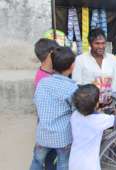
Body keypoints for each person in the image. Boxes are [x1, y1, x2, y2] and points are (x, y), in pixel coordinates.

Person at [30, 47, 78, 170]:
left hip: (43, 134)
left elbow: (36, 101)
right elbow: (75, 111)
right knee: (63, 164)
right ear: (72, 66)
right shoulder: (72, 88)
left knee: (37, 161)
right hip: (63, 137)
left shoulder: (42, 83)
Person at [33, 38, 60, 170]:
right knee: (43, 158)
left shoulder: (47, 73)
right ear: (50, 54)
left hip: (46, 126)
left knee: (46, 157)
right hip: (49, 126)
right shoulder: (44, 79)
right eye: (56, 52)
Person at [72, 28, 116, 93]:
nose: (101, 46)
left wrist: (111, 95)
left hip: (109, 100)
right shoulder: (80, 59)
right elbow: (76, 83)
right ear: (90, 44)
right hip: (88, 101)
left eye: (103, 43)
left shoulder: (112, 59)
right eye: (97, 43)